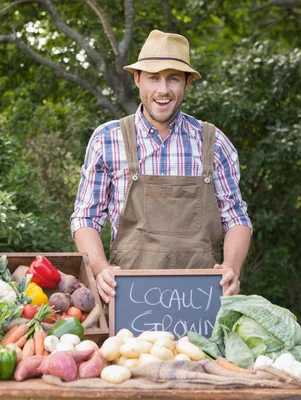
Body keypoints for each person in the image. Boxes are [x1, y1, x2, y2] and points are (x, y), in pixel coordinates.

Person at [70, 30, 252, 304]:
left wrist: (231, 267)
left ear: (187, 83)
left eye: (173, 79)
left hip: (201, 301)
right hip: (130, 299)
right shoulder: (107, 140)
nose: (163, 90)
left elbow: (236, 218)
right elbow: (85, 218)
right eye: (153, 78)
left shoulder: (214, 143)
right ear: (137, 79)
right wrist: (100, 269)